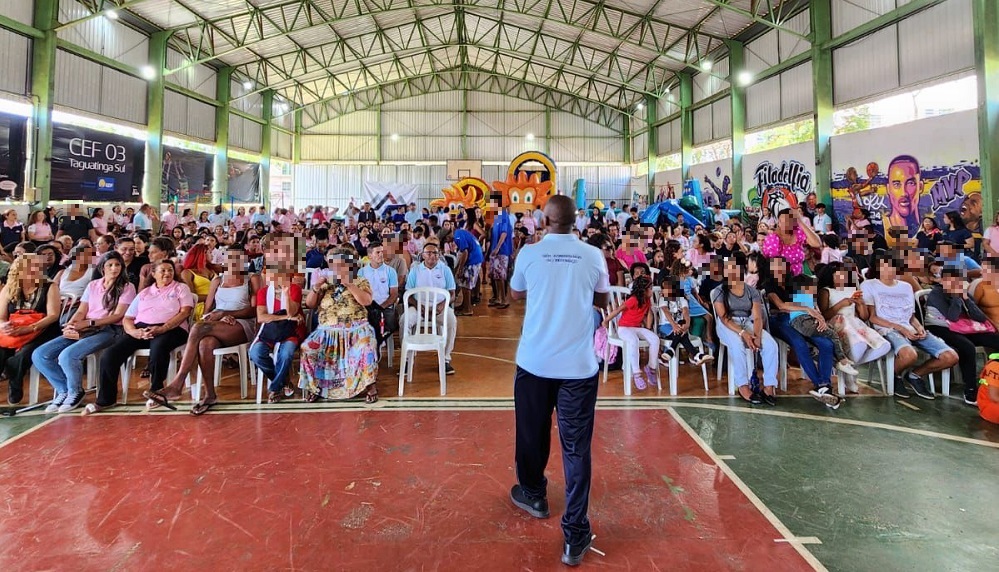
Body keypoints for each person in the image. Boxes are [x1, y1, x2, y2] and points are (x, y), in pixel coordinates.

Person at [508, 194, 610, 566]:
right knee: (576, 448)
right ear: (574, 221)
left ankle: (534, 493)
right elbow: (601, 298)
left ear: (543, 220)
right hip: (579, 369)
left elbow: (516, 292)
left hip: (535, 363)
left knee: (532, 433)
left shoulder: (530, 254)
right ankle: (575, 533)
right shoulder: (593, 255)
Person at [145, 246, 260, 414]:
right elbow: (207, 311)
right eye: (230, 258)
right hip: (218, 324)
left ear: (245, 261)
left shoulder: (251, 279)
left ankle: (177, 383)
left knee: (200, 327)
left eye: (239, 259)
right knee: (205, 343)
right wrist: (217, 316)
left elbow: (254, 310)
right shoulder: (218, 281)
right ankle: (210, 395)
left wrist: (226, 313)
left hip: (242, 324)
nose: (234, 262)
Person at [84, 260, 193, 414]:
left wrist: (162, 328)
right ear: (153, 274)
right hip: (142, 329)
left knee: (159, 346)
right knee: (110, 354)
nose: (167, 273)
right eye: (162, 270)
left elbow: (185, 312)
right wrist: (134, 332)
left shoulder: (181, 288)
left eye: (170, 270)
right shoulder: (144, 293)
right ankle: (106, 399)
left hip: (172, 329)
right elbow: (128, 318)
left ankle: (157, 392)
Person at [33, 252, 135, 413]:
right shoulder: (93, 285)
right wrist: (72, 324)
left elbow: (118, 315)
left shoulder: (127, 287)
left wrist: (90, 322)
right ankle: (63, 390)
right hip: (86, 328)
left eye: (118, 265)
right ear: (102, 268)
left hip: (110, 329)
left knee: (68, 355)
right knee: (40, 354)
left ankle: (75, 391)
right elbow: (81, 310)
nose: (114, 268)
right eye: (110, 265)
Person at [861, 250, 958, 400]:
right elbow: (872, 317)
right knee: (910, 355)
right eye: (885, 266)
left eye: (893, 266)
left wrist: (919, 327)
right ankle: (894, 376)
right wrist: (900, 328)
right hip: (887, 329)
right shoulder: (868, 285)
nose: (889, 270)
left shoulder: (905, 286)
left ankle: (915, 375)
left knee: (950, 356)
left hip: (910, 328)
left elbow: (911, 316)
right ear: (878, 267)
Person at [299, 246, 379, 403]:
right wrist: (316, 287)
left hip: (356, 329)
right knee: (307, 348)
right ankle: (315, 387)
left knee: (366, 347)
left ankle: (370, 386)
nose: (335, 268)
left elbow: (367, 301)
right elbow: (310, 304)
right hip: (327, 331)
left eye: (339, 265)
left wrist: (349, 284)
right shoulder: (325, 283)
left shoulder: (359, 280)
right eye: (332, 265)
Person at [711, 252, 780, 405]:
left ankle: (769, 386)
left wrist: (757, 336)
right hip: (728, 324)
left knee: (771, 345)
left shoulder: (752, 291)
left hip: (748, 321)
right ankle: (742, 385)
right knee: (737, 345)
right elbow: (724, 318)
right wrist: (743, 334)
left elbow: (757, 317)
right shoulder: (719, 292)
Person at [923, 267, 999, 406]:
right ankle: (970, 390)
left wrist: (966, 300)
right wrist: (957, 298)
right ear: (943, 280)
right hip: (940, 328)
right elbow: (952, 317)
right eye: (950, 280)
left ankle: (995, 382)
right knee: (967, 347)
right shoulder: (937, 293)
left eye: (958, 280)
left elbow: (980, 318)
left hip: (963, 328)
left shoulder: (963, 293)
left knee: (995, 339)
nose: (954, 283)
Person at [816, 262, 891, 393]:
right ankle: (849, 374)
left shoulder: (852, 290)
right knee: (860, 346)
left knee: (885, 346)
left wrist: (861, 305)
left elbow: (864, 317)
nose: (842, 277)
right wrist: (840, 304)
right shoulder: (826, 291)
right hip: (838, 323)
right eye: (837, 275)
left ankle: (848, 368)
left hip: (855, 323)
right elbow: (824, 314)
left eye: (844, 274)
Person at [250, 233, 306, 403]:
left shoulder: (294, 288)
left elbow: (291, 313)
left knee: (286, 353)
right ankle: (283, 381)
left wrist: (286, 292)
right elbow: (261, 317)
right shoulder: (263, 292)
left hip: (290, 332)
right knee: (255, 353)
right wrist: (279, 318)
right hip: (270, 332)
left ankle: (274, 388)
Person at [0, 254, 63, 404]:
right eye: (32, 266)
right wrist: (3, 325)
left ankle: (14, 385)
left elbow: (53, 315)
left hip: (43, 330)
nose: (37, 269)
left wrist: (30, 328)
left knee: (22, 355)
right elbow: (1, 316)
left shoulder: (50, 286)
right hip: (14, 329)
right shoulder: (10, 287)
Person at [404, 242, 458, 375]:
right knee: (404, 320)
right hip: (419, 307)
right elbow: (408, 293)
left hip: (439, 307)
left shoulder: (445, 269)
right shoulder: (415, 270)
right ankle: (406, 359)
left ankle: (445, 359)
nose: (432, 256)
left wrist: (442, 305)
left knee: (452, 321)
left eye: (435, 253)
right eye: (428, 253)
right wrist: (418, 305)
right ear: (422, 255)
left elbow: (452, 294)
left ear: (439, 255)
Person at [601, 275, 659, 390]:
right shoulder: (633, 300)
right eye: (650, 288)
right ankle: (636, 373)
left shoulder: (647, 300)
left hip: (637, 328)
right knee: (633, 340)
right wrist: (606, 320)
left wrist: (648, 328)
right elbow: (618, 309)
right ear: (643, 290)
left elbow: (648, 314)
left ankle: (651, 368)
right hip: (624, 328)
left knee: (655, 339)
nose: (652, 290)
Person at [657, 277, 713, 366]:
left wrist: (687, 325)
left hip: (679, 327)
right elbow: (666, 312)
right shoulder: (663, 299)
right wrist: (674, 325)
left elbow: (686, 312)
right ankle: (696, 354)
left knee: (681, 326)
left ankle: (671, 350)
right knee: (681, 332)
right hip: (665, 326)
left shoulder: (682, 299)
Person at [359, 240, 399, 345]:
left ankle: (378, 342)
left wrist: (381, 307)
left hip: (384, 307)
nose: (381, 254)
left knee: (389, 321)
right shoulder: (362, 272)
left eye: (382, 252)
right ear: (370, 256)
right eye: (377, 252)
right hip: (368, 307)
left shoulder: (390, 271)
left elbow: (394, 294)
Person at [762, 207, 823, 276]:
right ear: (778, 223)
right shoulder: (772, 238)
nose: (785, 224)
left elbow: (817, 243)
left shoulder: (798, 233)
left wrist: (800, 221)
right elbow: (769, 263)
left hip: (798, 279)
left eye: (788, 221)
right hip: (780, 280)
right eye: (782, 221)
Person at [453, 215, 484, 316]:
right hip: (476, 257)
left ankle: (468, 309)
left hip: (473, 259)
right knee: (464, 283)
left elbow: (465, 252)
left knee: (466, 284)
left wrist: (460, 269)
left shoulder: (457, 235)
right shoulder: (460, 232)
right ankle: (464, 305)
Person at [181, 244, 218, 321]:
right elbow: (192, 297)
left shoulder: (212, 269)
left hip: (218, 303)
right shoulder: (187, 273)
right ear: (203, 254)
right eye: (210, 253)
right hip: (201, 306)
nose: (212, 255)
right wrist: (213, 297)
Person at [489, 203, 514, 309]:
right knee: (496, 276)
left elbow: (504, 233)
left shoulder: (503, 215)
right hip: (495, 251)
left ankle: (504, 299)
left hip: (502, 250)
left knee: (501, 276)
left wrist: (498, 248)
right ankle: (499, 298)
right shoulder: (496, 217)